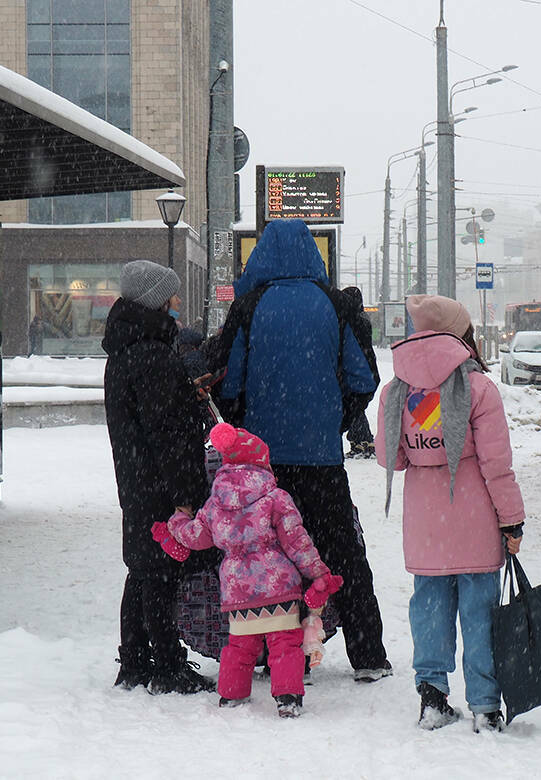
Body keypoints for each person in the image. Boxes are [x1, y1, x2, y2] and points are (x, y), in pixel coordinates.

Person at [207, 218, 392, 682]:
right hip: (322, 459)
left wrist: (249, 425)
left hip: (264, 467)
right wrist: (336, 419)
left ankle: (276, 653)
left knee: (270, 554)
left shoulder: (249, 306)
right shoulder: (332, 304)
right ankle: (368, 654)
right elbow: (363, 380)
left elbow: (227, 382)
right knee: (342, 553)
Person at [375, 294, 526, 733]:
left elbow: (391, 459)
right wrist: (511, 519)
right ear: (461, 334)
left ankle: (433, 698)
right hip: (475, 518)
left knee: (430, 609)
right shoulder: (478, 387)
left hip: (426, 523)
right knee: (480, 614)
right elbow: (497, 466)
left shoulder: (396, 390)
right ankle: (484, 706)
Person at [153, 422, 343, 718]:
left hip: (238, 590)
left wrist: (176, 522)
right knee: (285, 646)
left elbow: (196, 538)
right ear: (262, 463)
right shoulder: (276, 497)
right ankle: (288, 697)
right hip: (278, 587)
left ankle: (231, 695)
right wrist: (318, 572)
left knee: (240, 647)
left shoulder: (215, 503)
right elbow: (297, 541)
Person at [102, 259, 215, 695]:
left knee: (142, 570)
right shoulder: (152, 354)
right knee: (161, 573)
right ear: (154, 300)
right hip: (158, 484)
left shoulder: (130, 347)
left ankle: (134, 661)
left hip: (136, 479)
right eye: (171, 295)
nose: (178, 302)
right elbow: (169, 433)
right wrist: (186, 495)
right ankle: (167, 667)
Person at [341, 286, 376, 459]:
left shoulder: (354, 320)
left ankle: (363, 441)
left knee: (354, 406)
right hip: (367, 366)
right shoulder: (363, 318)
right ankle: (362, 440)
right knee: (356, 405)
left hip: (358, 367)